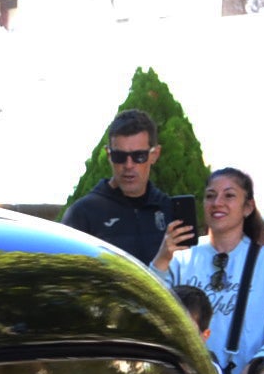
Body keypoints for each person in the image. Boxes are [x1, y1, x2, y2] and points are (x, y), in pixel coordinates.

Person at [152, 167, 264, 374]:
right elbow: (151, 313)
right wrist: (161, 260)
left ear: (248, 207)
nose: (217, 202)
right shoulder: (180, 256)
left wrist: (260, 363)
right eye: (210, 195)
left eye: (229, 195)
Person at [64, 109, 185, 262]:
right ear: (109, 155)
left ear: (154, 155)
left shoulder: (168, 210)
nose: (129, 165)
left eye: (138, 156)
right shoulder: (83, 214)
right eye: (119, 156)